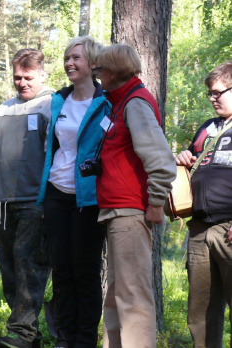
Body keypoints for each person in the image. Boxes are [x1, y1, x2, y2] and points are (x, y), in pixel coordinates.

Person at [94, 44, 175, 348]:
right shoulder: (119, 102)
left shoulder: (135, 103)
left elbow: (162, 161)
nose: (98, 75)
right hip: (116, 212)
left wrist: (155, 203)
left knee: (132, 297)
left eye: (100, 69)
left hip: (130, 212)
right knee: (117, 295)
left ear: (112, 72)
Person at [36, 37, 108, 348]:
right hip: (55, 195)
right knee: (62, 270)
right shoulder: (57, 101)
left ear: (93, 64)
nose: (69, 63)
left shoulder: (107, 104)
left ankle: (85, 339)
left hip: (88, 199)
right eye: (67, 58)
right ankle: (64, 337)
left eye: (76, 58)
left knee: (86, 271)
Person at [0, 49, 54, 348]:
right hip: (1, 202)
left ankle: (22, 333)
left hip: (34, 202)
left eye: (28, 77)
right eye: (17, 77)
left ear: (41, 75)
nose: (22, 83)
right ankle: (28, 336)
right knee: (10, 270)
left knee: (29, 267)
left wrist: (48, 196)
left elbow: (56, 152)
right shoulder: (3, 109)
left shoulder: (51, 105)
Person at [176, 61, 232, 348]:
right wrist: (183, 158)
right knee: (201, 313)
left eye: (218, 93)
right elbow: (193, 164)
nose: (212, 99)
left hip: (230, 229)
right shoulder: (206, 128)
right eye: (210, 94)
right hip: (198, 230)